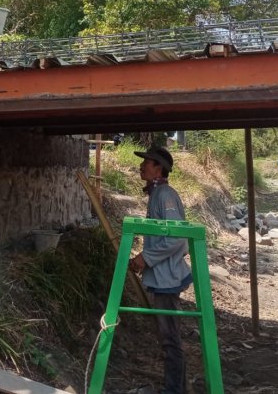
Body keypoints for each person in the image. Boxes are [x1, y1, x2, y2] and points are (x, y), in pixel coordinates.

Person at [128, 146, 192, 394]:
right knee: (168, 336)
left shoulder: (165, 195)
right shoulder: (157, 194)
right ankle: (176, 387)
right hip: (162, 275)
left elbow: (177, 237)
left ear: (159, 169)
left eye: (147, 162)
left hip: (167, 278)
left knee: (170, 338)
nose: (142, 166)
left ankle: (174, 390)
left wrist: (145, 258)